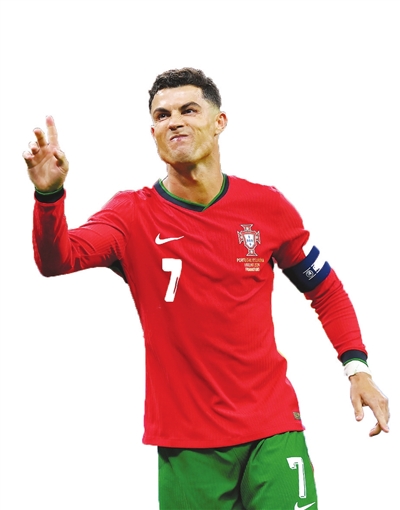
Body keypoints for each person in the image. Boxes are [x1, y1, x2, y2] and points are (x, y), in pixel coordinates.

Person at [23, 68, 389, 510]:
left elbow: (325, 289)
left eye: (189, 110)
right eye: (162, 115)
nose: (174, 121)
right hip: (187, 444)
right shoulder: (131, 215)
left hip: (272, 428)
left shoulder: (266, 207)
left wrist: (357, 369)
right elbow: (58, 260)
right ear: (153, 133)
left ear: (219, 122)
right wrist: (49, 198)